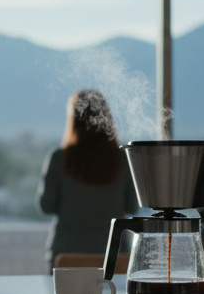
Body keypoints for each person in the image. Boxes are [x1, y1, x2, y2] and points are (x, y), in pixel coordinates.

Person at [37, 89, 136, 271]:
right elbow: (132, 206)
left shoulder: (60, 158)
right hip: (114, 253)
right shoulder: (123, 159)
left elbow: (47, 206)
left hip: (66, 252)